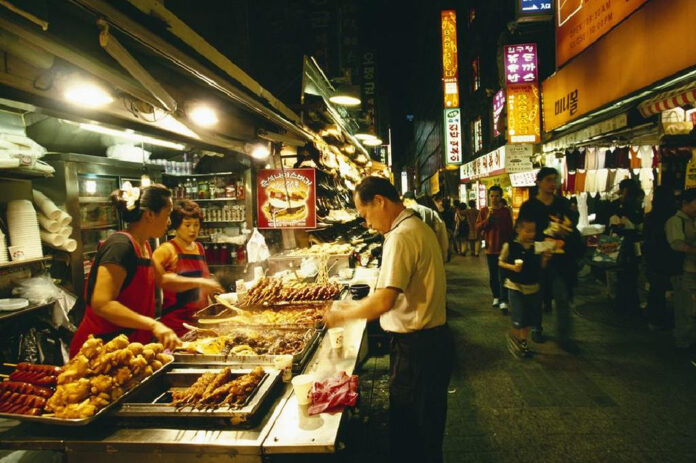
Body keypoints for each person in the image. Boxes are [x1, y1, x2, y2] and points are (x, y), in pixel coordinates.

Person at [325, 176, 453, 463]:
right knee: (426, 430)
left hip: (419, 350)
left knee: (414, 433)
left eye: (365, 214)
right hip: (429, 344)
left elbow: (384, 301)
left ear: (380, 202)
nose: (367, 223)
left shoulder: (401, 235)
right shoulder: (414, 227)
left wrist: (341, 314)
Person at [70, 183, 179, 357]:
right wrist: (152, 324)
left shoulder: (144, 247)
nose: (169, 221)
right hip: (99, 350)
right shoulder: (120, 246)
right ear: (150, 214)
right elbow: (102, 303)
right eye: (167, 214)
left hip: (128, 348)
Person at [519, 168, 581, 351]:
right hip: (538, 259)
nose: (552, 184)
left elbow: (572, 225)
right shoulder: (529, 206)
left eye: (554, 180)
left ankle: (564, 336)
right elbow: (522, 231)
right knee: (536, 296)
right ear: (538, 182)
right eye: (548, 180)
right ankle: (537, 327)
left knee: (562, 296)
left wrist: (565, 230)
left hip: (561, 261)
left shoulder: (562, 204)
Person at [152, 200, 223, 337]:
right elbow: (154, 278)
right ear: (177, 226)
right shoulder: (167, 250)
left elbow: (204, 284)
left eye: (196, 225)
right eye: (187, 225)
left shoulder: (199, 248)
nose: (193, 230)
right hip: (176, 325)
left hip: (199, 322)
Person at [499, 216, 552, 358]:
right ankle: (514, 336)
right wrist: (512, 267)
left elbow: (541, 267)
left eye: (533, 231)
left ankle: (523, 341)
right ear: (518, 230)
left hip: (533, 287)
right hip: (515, 286)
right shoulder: (510, 245)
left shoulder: (537, 246)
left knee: (528, 319)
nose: (531, 234)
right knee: (519, 317)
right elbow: (500, 262)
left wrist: (546, 258)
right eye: (527, 231)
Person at [665, 188, 696, 351]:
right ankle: (683, 341)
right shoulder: (676, 221)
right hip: (684, 272)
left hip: (692, 270)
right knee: (685, 309)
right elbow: (676, 244)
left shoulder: (692, 220)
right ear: (685, 204)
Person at [642, 186, 677, 330]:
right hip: (667, 256)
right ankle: (660, 319)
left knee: (656, 290)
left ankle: (655, 319)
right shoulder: (672, 216)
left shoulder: (651, 216)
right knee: (663, 288)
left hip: (653, 256)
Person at [476, 186, 513, 313]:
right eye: (492, 196)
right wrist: (487, 219)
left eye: (497, 196)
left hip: (503, 249)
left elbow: (509, 229)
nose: (494, 198)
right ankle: (496, 297)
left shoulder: (505, 211)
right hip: (490, 248)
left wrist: (510, 245)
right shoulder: (484, 210)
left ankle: (504, 300)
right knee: (493, 275)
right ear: (488, 196)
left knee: (503, 275)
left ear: (501, 196)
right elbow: (478, 227)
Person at [402, 191, 448, 261]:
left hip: (415, 249)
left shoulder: (408, 211)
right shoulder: (430, 211)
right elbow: (439, 231)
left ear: (406, 200)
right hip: (430, 247)